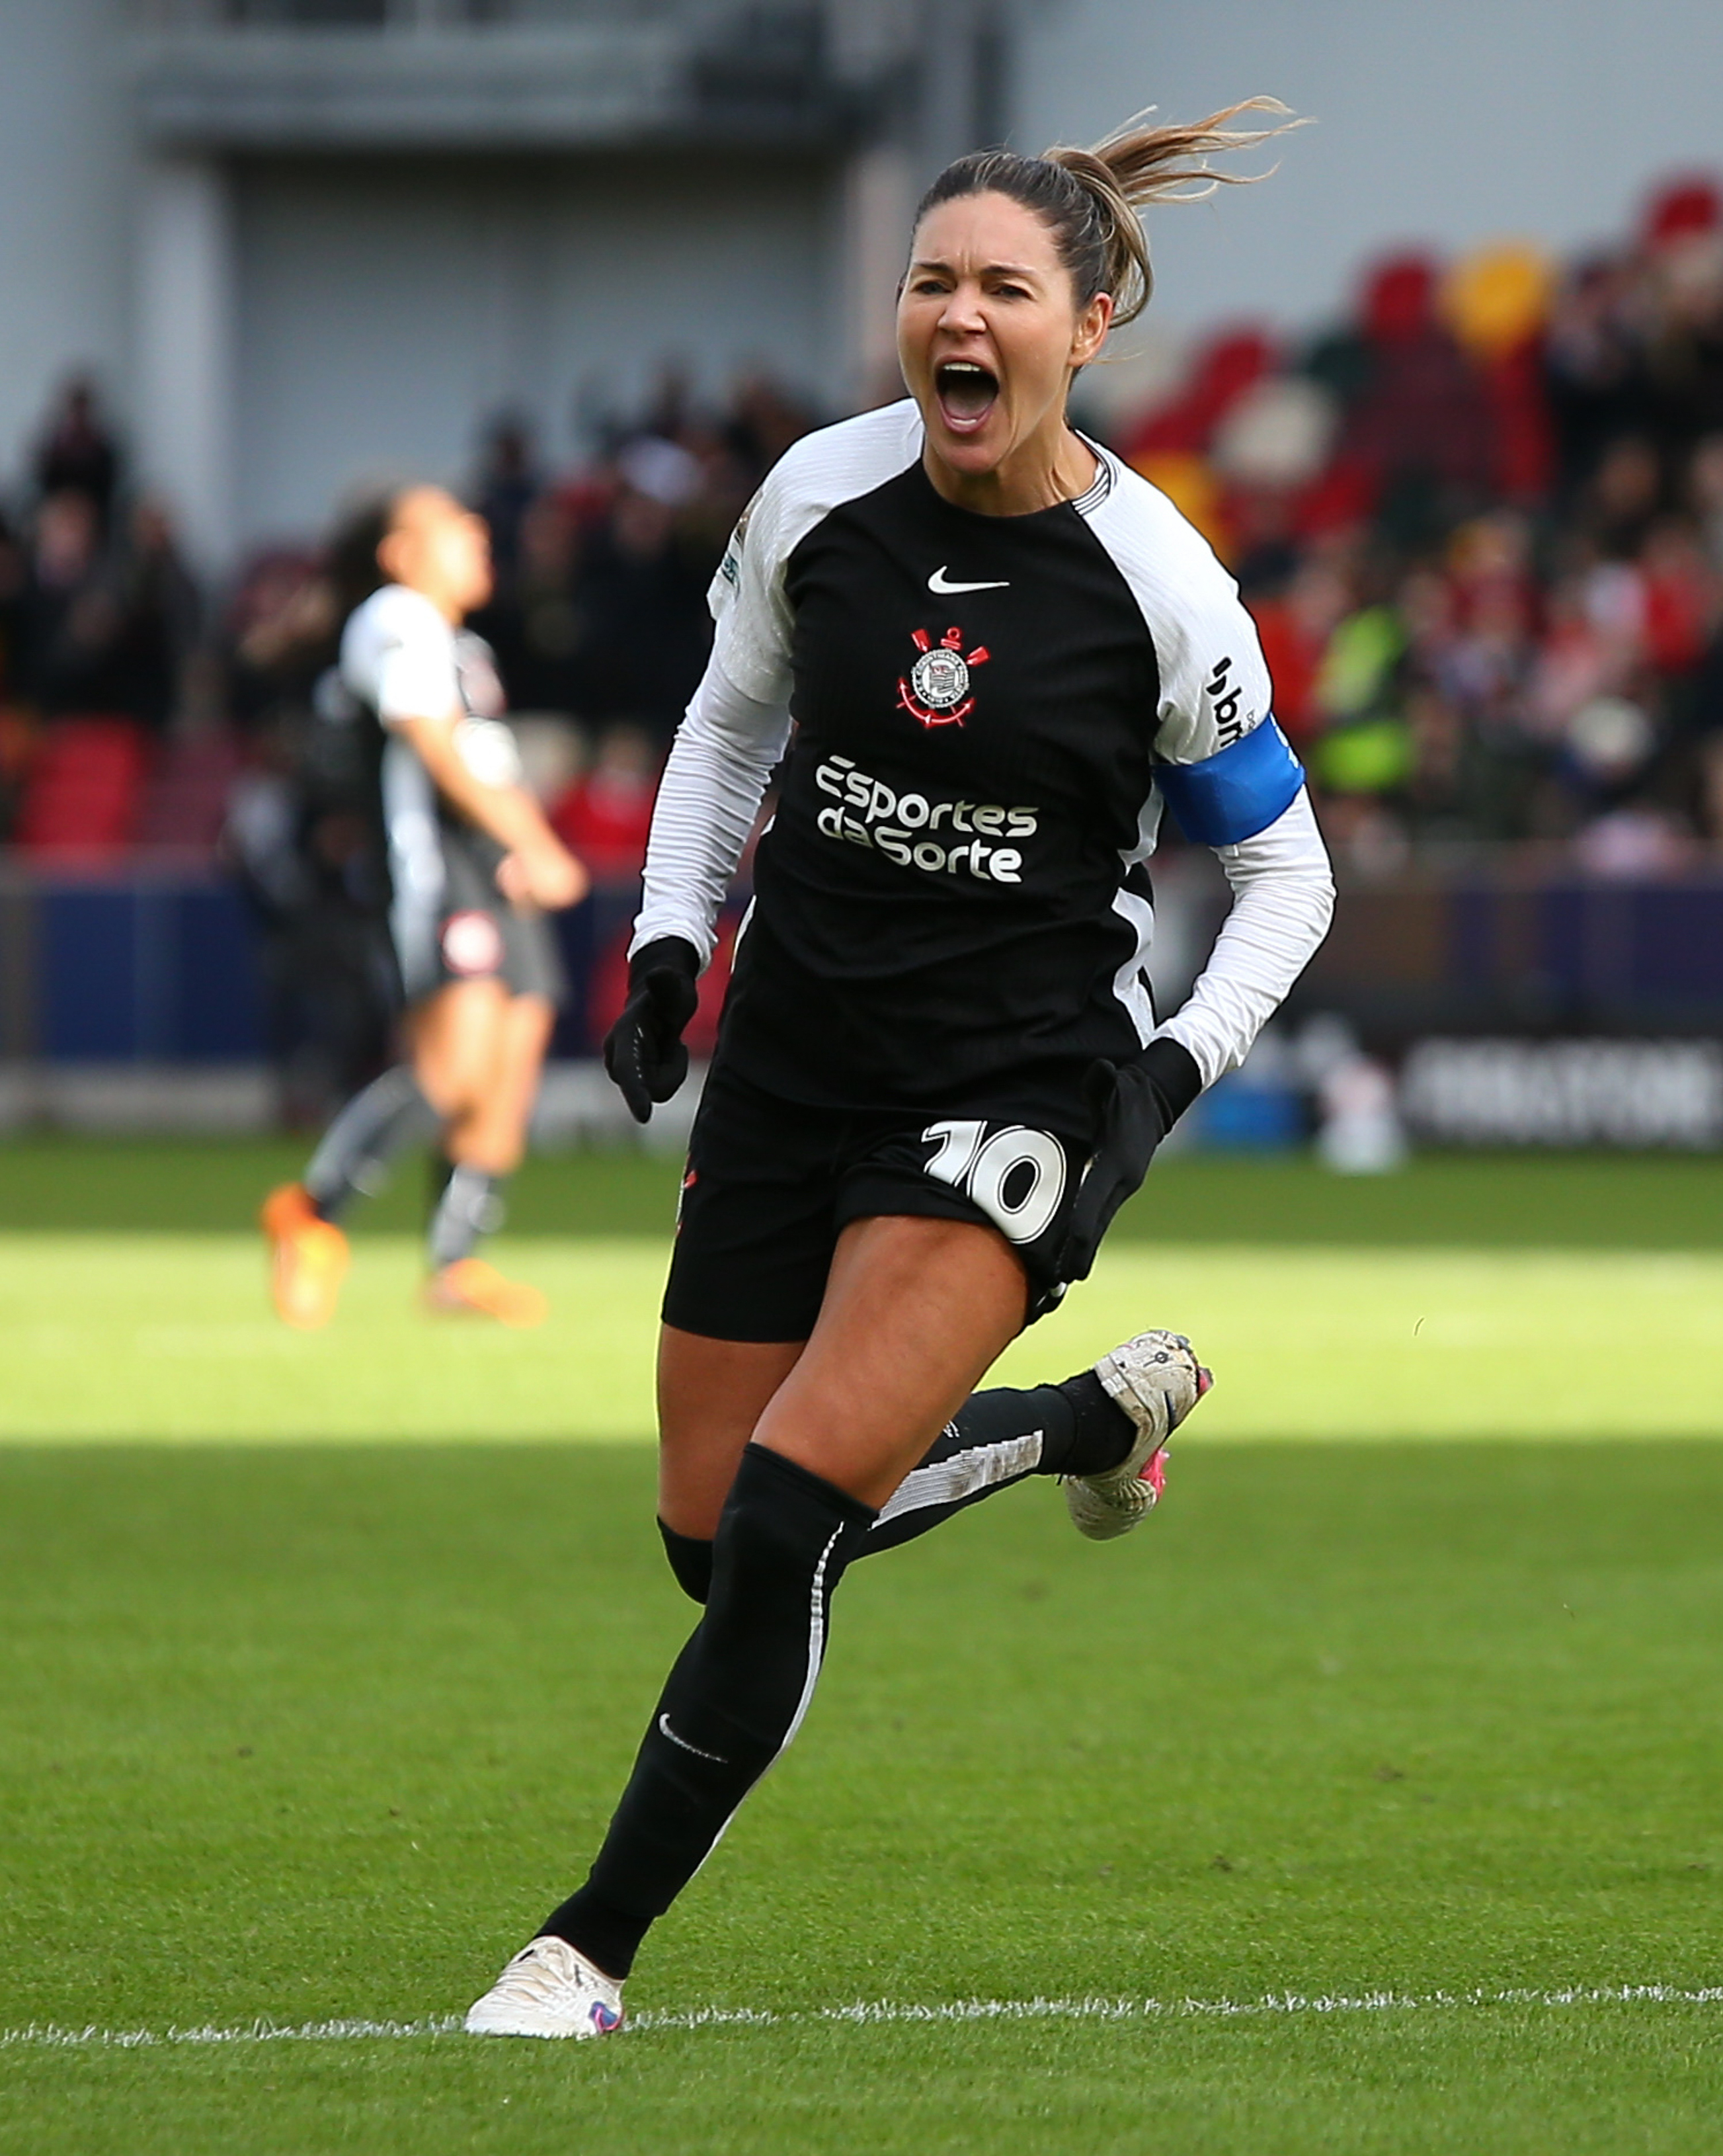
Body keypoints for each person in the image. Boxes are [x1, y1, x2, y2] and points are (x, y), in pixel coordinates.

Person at [461, 102, 1334, 2037]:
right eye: (928, 280)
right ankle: (1083, 1430)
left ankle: (577, 1949)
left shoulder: (1162, 590)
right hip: (792, 1062)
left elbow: (1284, 875)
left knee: (786, 1520)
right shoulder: (816, 502)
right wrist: (670, 949)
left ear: (1081, 324)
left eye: (999, 287)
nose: (956, 315)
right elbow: (721, 734)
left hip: (1016, 1083)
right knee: (711, 1534)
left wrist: (1157, 1081)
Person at [259, 486, 590, 1327]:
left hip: (490, 863)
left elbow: (485, 755)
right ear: (401, 553)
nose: (478, 532)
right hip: (437, 867)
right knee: (451, 1071)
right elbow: (435, 745)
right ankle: (311, 1214)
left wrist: (517, 841)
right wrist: (538, 844)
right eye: (453, 523)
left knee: (510, 1063)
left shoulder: (462, 642)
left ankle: (456, 1264)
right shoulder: (393, 616)